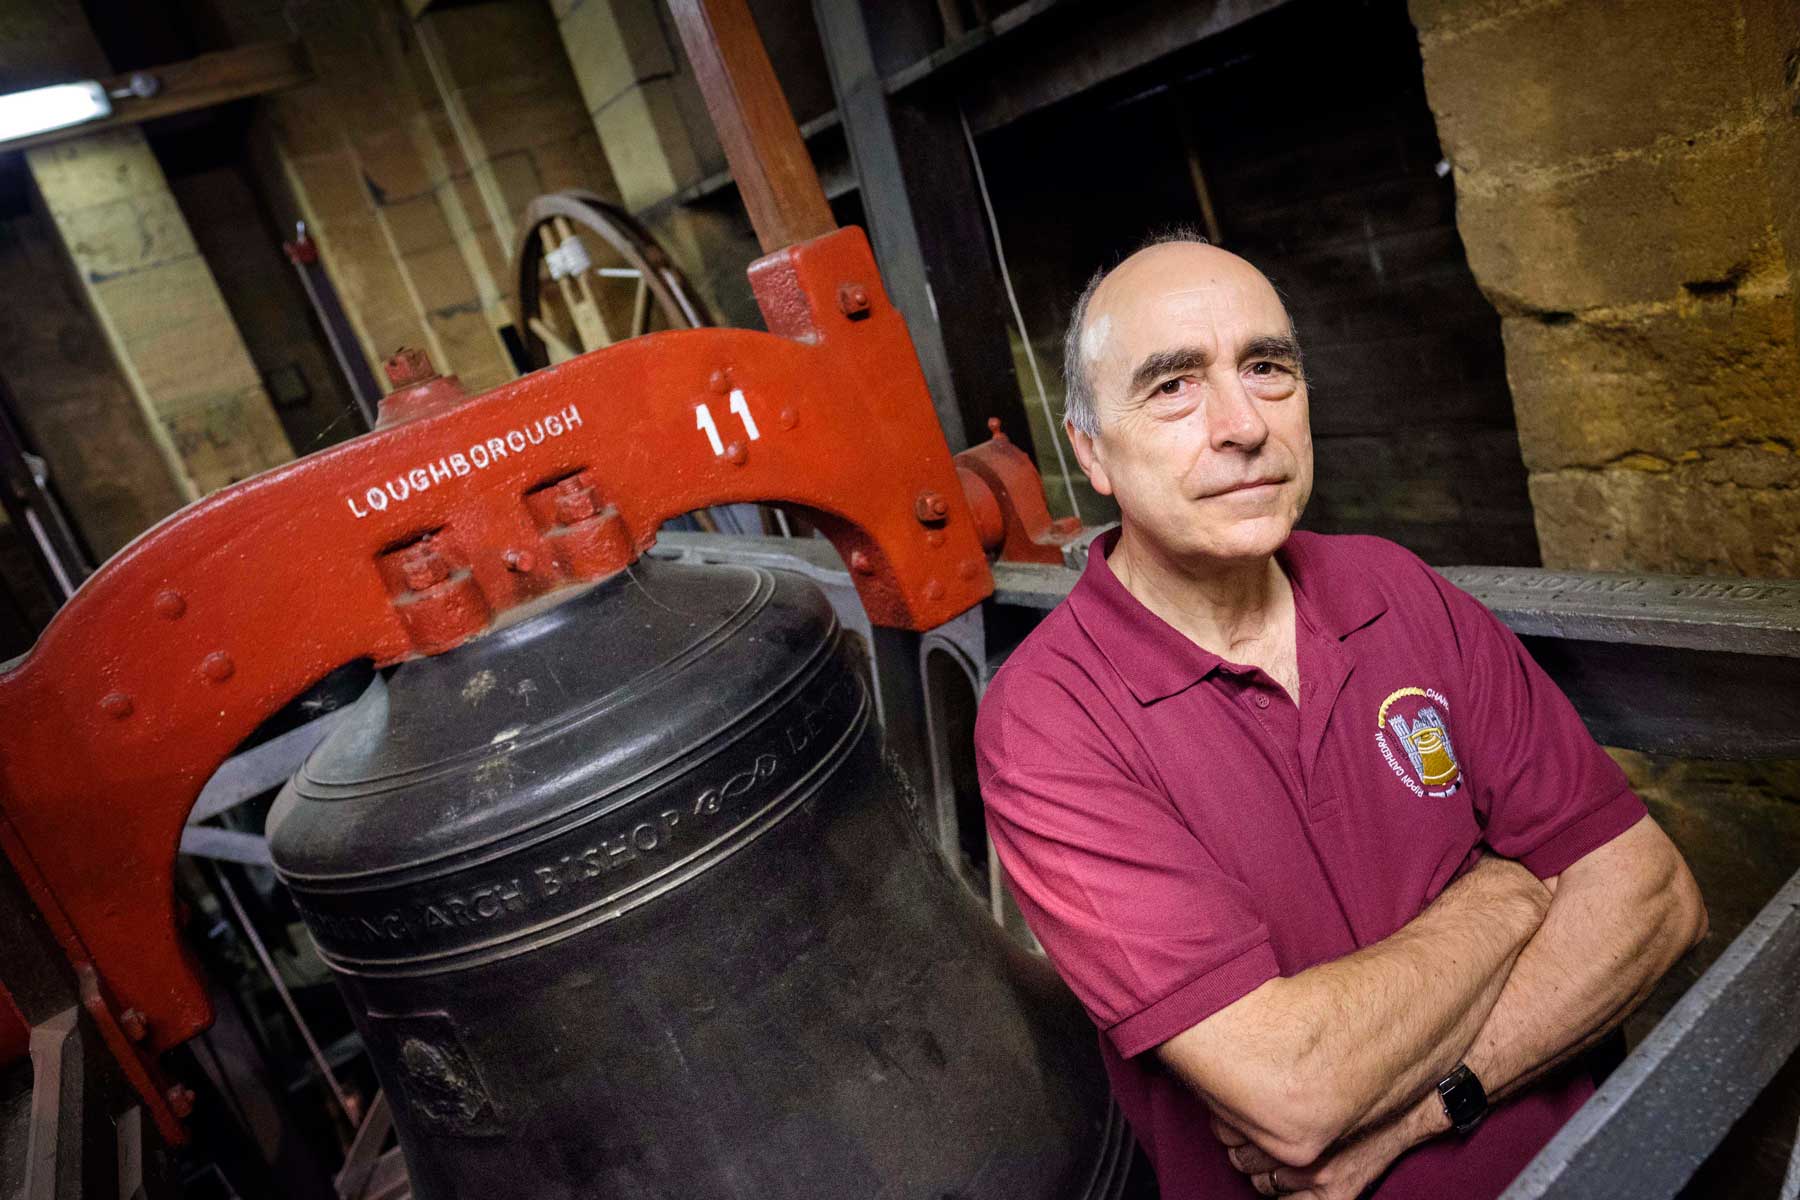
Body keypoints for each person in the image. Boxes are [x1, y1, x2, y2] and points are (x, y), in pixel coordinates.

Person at [973, 233, 1707, 1199]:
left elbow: (1655, 898)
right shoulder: (1050, 720)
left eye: (1267, 367)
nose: (1242, 423)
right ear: (1092, 451)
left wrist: (1424, 1109)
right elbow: (1295, 1088)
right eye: (1173, 386)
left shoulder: (1392, 587)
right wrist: (1513, 892)